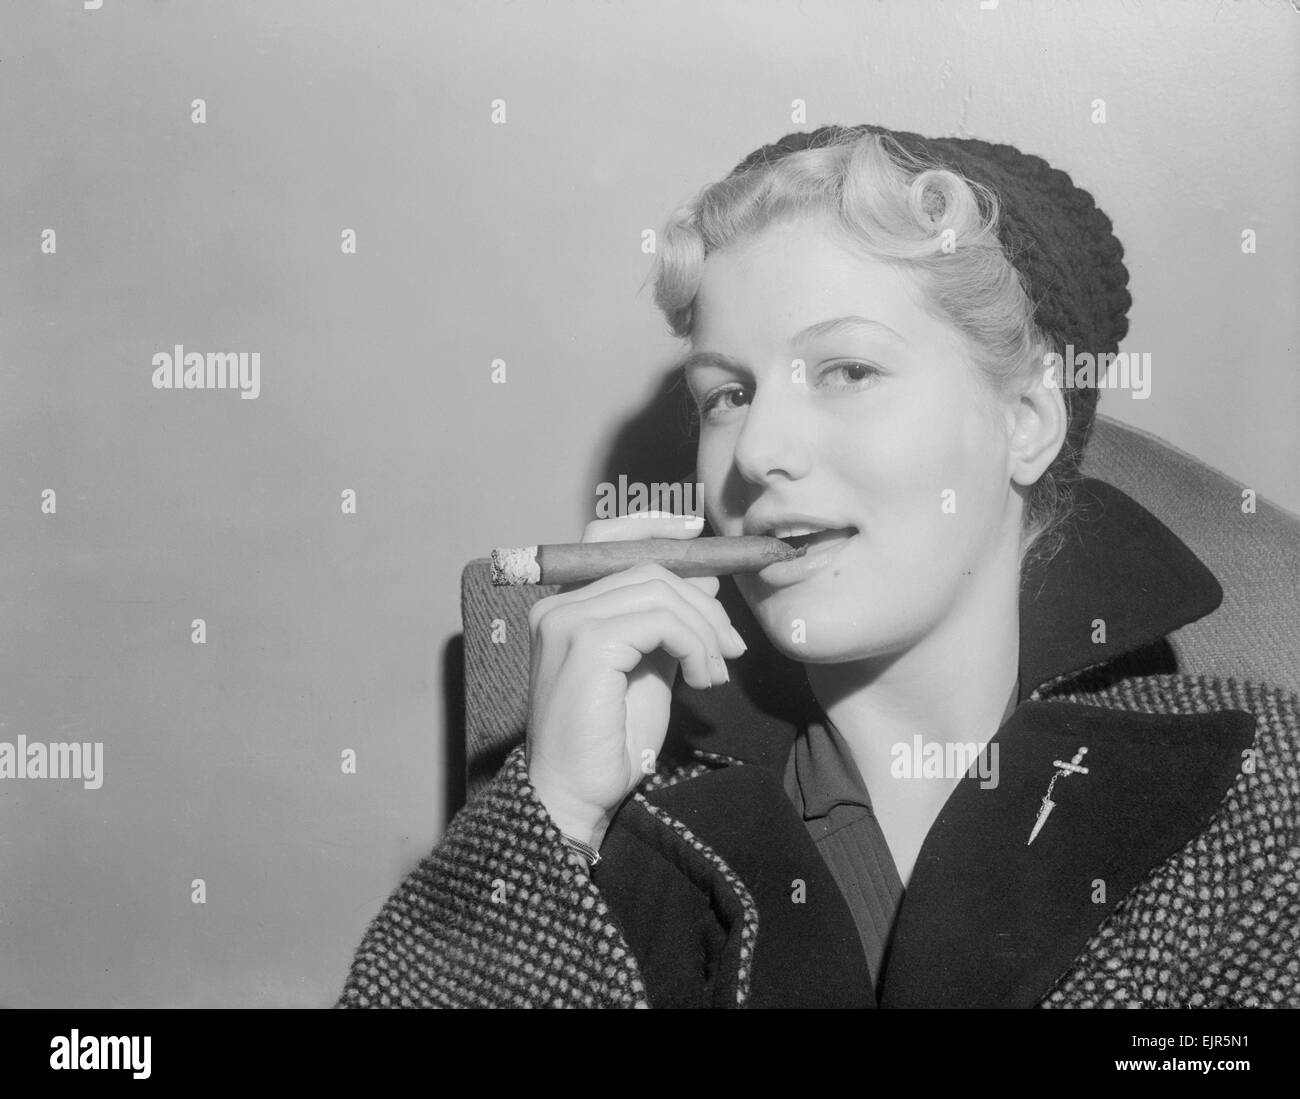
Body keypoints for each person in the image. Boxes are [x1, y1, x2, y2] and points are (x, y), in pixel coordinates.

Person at [337, 124, 1299, 1008]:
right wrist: (555, 816)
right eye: (727, 394)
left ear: (1026, 422)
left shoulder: (1256, 794)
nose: (756, 452)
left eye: (847, 370)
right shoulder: (621, 823)